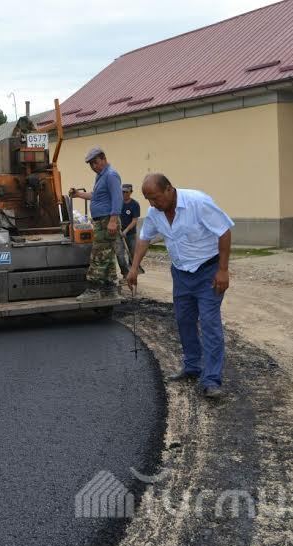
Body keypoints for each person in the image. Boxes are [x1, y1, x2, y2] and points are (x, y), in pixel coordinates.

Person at [126, 173, 233, 399]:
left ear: (169, 189)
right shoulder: (155, 213)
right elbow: (144, 238)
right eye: (148, 199)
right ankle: (192, 367)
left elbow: (224, 231)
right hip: (181, 274)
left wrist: (223, 270)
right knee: (184, 320)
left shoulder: (198, 202)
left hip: (208, 272)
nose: (152, 204)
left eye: (155, 198)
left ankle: (211, 380)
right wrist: (134, 268)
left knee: (209, 323)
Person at [68, 146, 122, 300]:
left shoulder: (111, 175)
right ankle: (110, 289)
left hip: (107, 221)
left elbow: (117, 198)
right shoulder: (101, 176)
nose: (93, 166)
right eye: (91, 164)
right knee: (107, 256)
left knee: (98, 255)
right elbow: (96, 196)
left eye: (95, 162)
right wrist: (78, 194)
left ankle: (93, 290)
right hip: (102, 221)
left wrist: (113, 221)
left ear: (104, 159)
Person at [119, 184, 144, 276]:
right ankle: (125, 274)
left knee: (133, 255)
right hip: (119, 234)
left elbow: (134, 221)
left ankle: (133, 273)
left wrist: (125, 231)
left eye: (126, 192)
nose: (124, 194)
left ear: (131, 192)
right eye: (122, 192)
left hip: (130, 234)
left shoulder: (135, 204)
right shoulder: (118, 203)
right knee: (120, 256)